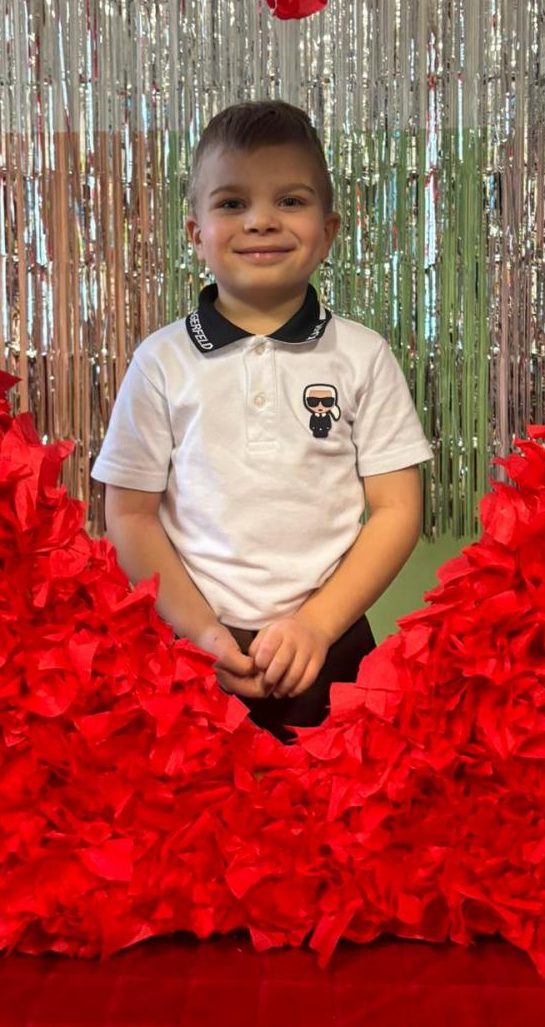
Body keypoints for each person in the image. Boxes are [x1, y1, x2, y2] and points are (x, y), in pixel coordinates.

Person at [91, 100, 433, 742]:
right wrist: (202, 633)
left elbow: (397, 508)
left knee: (340, 800)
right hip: (190, 650)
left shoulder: (363, 356)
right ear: (196, 233)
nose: (261, 220)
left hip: (332, 643)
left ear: (328, 231)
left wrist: (317, 627)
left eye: (290, 200)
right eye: (232, 203)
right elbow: (130, 514)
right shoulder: (161, 361)